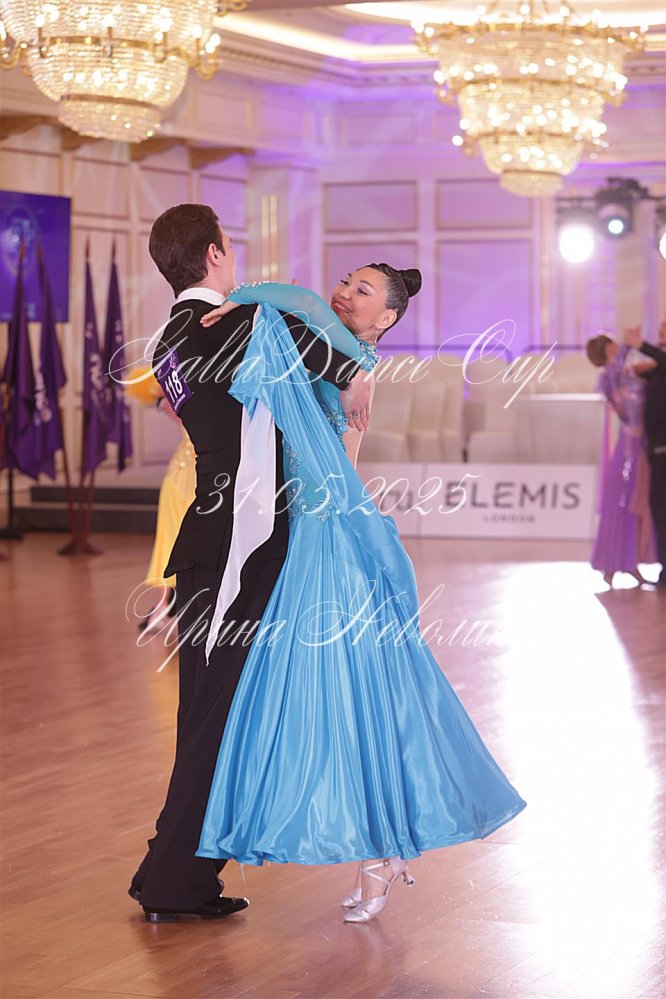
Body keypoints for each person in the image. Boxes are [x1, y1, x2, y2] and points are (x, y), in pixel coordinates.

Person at [195, 271, 527, 924]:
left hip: (330, 533)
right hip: (315, 529)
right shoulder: (335, 350)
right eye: (348, 281)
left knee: (355, 695)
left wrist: (238, 293)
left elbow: (296, 296)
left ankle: (383, 852)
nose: (346, 292)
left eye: (365, 290)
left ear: (387, 318)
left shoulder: (348, 351)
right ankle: (383, 851)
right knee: (349, 698)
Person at [129, 204, 372, 923]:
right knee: (216, 716)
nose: (234, 258)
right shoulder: (228, 322)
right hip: (241, 541)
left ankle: (174, 874)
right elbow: (324, 351)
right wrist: (357, 373)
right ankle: (173, 882)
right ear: (211, 254)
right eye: (228, 247)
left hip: (214, 540)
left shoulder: (169, 336)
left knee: (208, 713)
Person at [586, 332, 656, 587]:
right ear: (608, 350)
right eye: (613, 345)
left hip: (638, 443)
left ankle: (630, 561)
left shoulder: (623, 373)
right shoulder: (610, 376)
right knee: (623, 502)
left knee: (635, 504)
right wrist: (630, 343)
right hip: (629, 446)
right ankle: (614, 563)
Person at [625, 319, 666, 588]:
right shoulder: (657, 367)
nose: (661, 330)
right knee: (659, 510)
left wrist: (641, 345)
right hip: (656, 449)